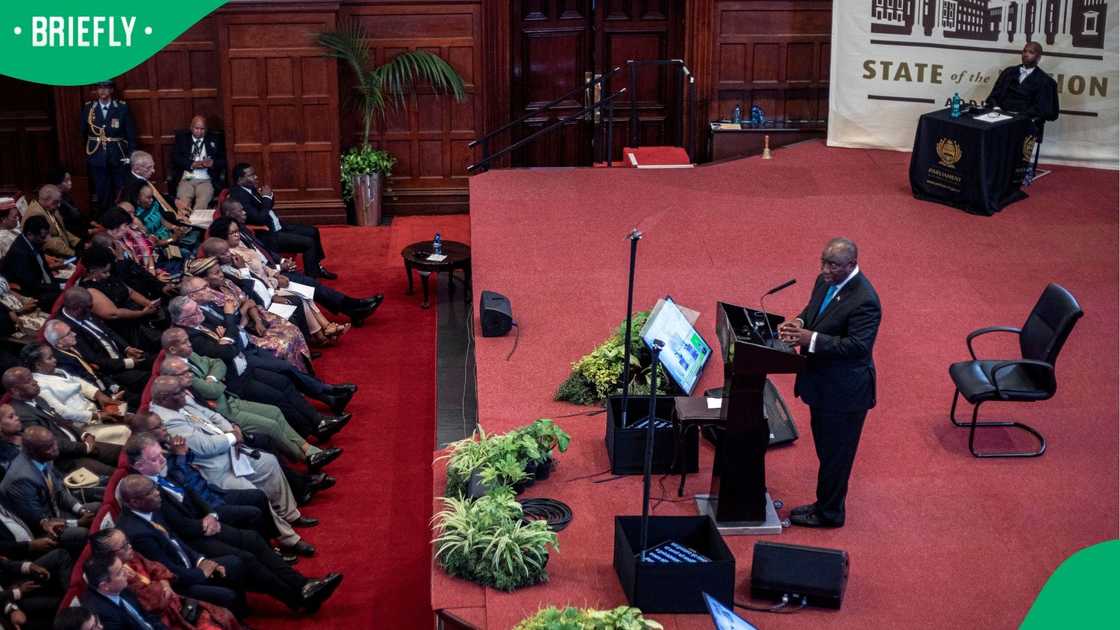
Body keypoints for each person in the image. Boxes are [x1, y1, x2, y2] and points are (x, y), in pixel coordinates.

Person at [123, 435, 342, 613]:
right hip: (192, 537)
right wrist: (204, 527)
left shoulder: (158, 470)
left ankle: (303, 584)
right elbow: (177, 526)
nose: (162, 460)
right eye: (155, 458)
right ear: (139, 465)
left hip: (203, 522)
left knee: (253, 539)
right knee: (245, 558)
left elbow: (190, 491)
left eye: (161, 455)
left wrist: (212, 515)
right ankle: (298, 598)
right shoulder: (141, 490)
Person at [148, 378, 317, 557]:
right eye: (179, 392)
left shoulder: (179, 400)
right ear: (164, 397)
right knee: (253, 493)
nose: (185, 394)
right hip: (215, 469)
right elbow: (205, 446)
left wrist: (231, 430)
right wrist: (233, 437)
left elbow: (212, 416)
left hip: (231, 451)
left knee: (269, 462)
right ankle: (289, 539)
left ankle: (290, 515)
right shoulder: (166, 420)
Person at [778, 237, 881, 528]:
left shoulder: (865, 300)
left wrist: (809, 339)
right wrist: (799, 323)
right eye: (823, 262)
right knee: (827, 451)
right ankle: (825, 504)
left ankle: (830, 513)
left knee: (836, 457)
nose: (825, 269)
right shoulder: (825, 281)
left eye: (833, 265)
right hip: (823, 385)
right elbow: (814, 311)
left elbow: (857, 347)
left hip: (845, 393)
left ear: (851, 265)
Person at [217, 202, 382, 324]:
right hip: (269, 278)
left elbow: (263, 251)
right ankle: (353, 308)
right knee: (310, 284)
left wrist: (282, 260)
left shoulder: (243, 230)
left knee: (310, 283)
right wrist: (278, 268)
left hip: (273, 269)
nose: (245, 212)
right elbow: (254, 270)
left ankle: (352, 307)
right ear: (229, 215)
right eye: (240, 211)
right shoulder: (229, 250)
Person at [116, 475, 247, 618]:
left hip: (188, 565)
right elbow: (167, 569)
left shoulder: (150, 508)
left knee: (234, 563)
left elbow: (175, 540)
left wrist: (201, 560)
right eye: (150, 492)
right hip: (178, 583)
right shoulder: (137, 533)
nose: (157, 493)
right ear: (135, 502)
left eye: (155, 488)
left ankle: (242, 616)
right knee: (227, 595)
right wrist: (201, 573)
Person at [88, 527, 241, 630]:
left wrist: (164, 583)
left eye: (127, 542)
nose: (130, 546)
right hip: (164, 615)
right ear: (109, 555)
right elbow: (151, 603)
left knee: (223, 615)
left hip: (172, 601)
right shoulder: (117, 581)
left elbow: (157, 568)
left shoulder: (130, 557)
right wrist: (163, 589)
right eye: (124, 546)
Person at [2, 368, 122, 475]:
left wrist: (84, 435)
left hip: (79, 444)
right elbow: (48, 442)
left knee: (123, 453)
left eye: (32, 378)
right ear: (15, 391)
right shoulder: (21, 414)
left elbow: (63, 421)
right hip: (66, 460)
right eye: (28, 381)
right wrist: (84, 447)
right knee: (114, 474)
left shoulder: (38, 399)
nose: (35, 382)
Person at [229, 164, 335, 279]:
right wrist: (266, 198)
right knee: (309, 243)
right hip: (268, 234)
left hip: (279, 226)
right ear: (240, 179)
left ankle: (316, 266)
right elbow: (259, 218)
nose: (256, 177)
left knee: (313, 231)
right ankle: (312, 277)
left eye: (255, 174)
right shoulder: (239, 195)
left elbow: (267, 206)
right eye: (251, 175)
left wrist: (269, 196)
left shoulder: (251, 188)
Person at [0, 427, 99, 548]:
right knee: (82, 533)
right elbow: (39, 521)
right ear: (33, 451)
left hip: (57, 512)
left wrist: (81, 510)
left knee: (97, 508)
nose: (55, 448)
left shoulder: (45, 456)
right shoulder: (20, 479)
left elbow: (60, 491)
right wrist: (77, 523)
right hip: (44, 530)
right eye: (49, 447)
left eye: (54, 442)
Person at [21, 343, 131, 446]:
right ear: (38, 365)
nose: (55, 360)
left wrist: (99, 395)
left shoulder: (57, 371)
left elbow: (80, 383)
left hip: (95, 412)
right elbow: (62, 412)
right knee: (125, 431)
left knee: (131, 417)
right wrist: (96, 416)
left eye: (53, 356)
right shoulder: (39, 386)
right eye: (50, 358)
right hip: (82, 427)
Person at [82, 80, 137, 211]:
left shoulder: (122, 108)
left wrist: (130, 156)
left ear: (111, 90)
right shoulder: (89, 108)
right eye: (99, 88)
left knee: (120, 189)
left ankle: (122, 216)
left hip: (118, 154)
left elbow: (130, 134)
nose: (102, 91)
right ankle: (105, 218)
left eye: (106, 87)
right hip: (97, 156)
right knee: (102, 191)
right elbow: (83, 132)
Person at [80, 553, 171, 630]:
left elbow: (146, 616)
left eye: (123, 567)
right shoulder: (103, 618)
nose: (126, 573)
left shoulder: (119, 587)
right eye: (119, 572)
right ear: (104, 586)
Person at [985, 42, 1060, 129]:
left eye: (1031, 52)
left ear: (1038, 57)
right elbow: (994, 95)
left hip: (1025, 123)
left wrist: (1019, 116)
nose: (1026, 54)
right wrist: (996, 108)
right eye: (1024, 51)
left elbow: (1043, 109)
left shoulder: (1045, 81)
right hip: (999, 119)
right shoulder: (1008, 72)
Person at [0, 215, 65, 310]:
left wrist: (60, 284)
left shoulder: (32, 241)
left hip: (42, 284)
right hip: (28, 292)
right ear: (30, 234)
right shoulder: (20, 253)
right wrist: (60, 286)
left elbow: (44, 271)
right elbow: (32, 286)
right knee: (69, 294)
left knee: (75, 284)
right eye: (43, 236)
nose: (47, 239)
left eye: (47, 234)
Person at [171, 116, 227, 210]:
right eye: (196, 128)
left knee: (202, 204)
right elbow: (175, 158)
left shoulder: (215, 139)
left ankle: (197, 219)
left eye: (202, 129)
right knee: (183, 203)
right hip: (187, 177)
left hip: (206, 179)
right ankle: (184, 219)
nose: (199, 132)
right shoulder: (182, 139)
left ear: (206, 129)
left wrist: (212, 163)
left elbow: (224, 160)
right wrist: (192, 164)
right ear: (191, 128)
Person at [25, 185, 82, 259]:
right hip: (55, 257)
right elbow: (48, 242)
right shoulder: (36, 214)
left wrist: (78, 243)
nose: (59, 205)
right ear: (46, 199)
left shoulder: (50, 208)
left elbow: (62, 230)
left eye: (59, 201)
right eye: (56, 202)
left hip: (65, 250)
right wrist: (74, 254)